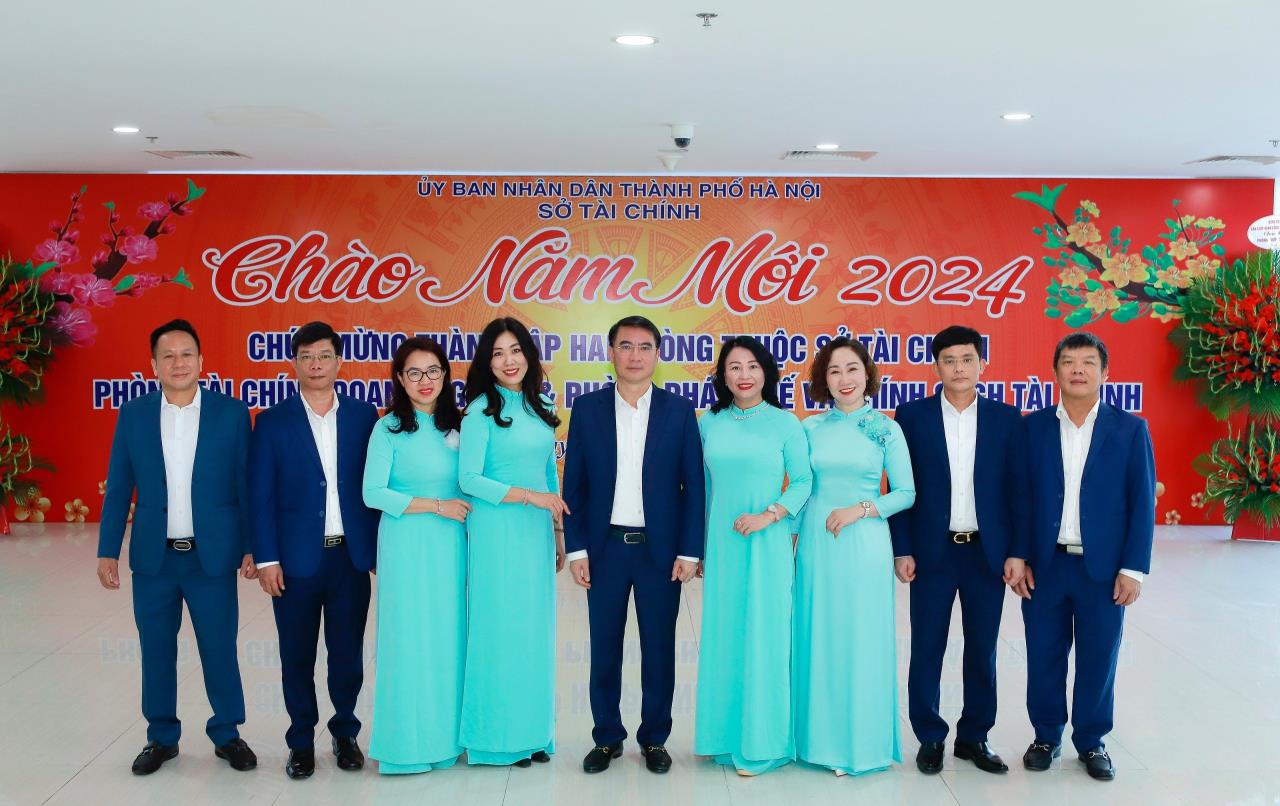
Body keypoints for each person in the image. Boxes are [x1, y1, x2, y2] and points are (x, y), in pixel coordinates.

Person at [97, 319, 258, 775]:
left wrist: (252, 545)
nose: (178, 363)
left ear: (201, 360)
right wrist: (107, 549)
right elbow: (119, 485)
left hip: (212, 558)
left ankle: (227, 734)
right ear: (153, 365)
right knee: (156, 650)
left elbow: (245, 484)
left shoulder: (231, 413)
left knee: (219, 648)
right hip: (155, 559)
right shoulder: (134, 414)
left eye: (187, 354)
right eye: (167, 356)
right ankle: (161, 737)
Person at [1008, 331, 1155, 781]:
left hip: (1103, 570)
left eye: (1088, 362)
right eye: (1069, 362)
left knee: (1098, 657)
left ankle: (1091, 741)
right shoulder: (1032, 427)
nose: (1078, 370)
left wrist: (1133, 569)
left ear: (1105, 372)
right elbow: (1021, 497)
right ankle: (1045, 736)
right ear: (1055, 371)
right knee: (1043, 654)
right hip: (1046, 565)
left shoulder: (1129, 429)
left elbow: (1142, 501)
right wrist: (1018, 554)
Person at [562, 316, 705, 775]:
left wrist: (689, 551)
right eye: (625, 346)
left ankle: (654, 738)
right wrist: (577, 550)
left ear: (657, 355)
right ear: (611, 352)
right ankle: (607, 737)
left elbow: (693, 487)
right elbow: (575, 485)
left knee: (659, 649)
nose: (635, 355)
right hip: (605, 549)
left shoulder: (679, 411)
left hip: (659, 553)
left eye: (645, 347)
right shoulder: (587, 409)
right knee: (604, 647)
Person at [889, 325, 1021, 775]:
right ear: (936, 366)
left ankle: (974, 736)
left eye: (967, 359)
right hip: (933, 553)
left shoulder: (1007, 418)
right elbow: (900, 487)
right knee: (927, 646)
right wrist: (902, 549)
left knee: (982, 649)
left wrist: (1016, 552)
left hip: (986, 553)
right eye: (949, 360)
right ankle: (930, 736)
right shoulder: (912, 417)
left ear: (983, 364)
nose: (958, 368)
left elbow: (1018, 492)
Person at [250, 321, 380, 779]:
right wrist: (266, 558)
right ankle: (301, 741)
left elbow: (375, 486)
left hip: (350, 558)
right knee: (297, 656)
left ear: (339, 361)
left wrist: (380, 550)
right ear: (295, 364)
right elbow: (260, 495)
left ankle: (345, 732)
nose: (316, 364)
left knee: (347, 654)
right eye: (306, 357)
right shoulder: (271, 422)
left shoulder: (364, 417)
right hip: (294, 563)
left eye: (324, 356)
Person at [793, 335, 916, 777]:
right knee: (817, 635)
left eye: (852, 369)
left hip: (864, 543)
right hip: (815, 544)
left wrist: (861, 509)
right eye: (833, 371)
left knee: (860, 639)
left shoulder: (886, 428)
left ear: (867, 374)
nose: (844, 379)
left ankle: (858, 745)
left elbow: (906, 492)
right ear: (823, 380)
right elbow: (800, 487)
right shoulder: (809, 428)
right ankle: (814, 741)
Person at [694, 336, 812, 777]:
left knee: (765, 636)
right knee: (725, 636)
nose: (744, 375)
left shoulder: (785, 423)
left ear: (766, 373)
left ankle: (764, 744)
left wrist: (771, 515)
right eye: (734, 367)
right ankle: (724, 738)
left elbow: (803, 481)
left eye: (752, 366)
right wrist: (699, 547)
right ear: (723, 376)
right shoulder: (709, 422)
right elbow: (703, 488)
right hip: (722, 545)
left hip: (767, 542)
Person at [457, 317, 567, 767]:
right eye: (498, 353)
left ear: (528, 355)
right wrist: (528, 497)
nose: (508, 361)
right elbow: (468, 479)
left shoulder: (541, 405)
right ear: (487, 361)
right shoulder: (480, 411)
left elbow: (548, 472)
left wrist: (557, 531)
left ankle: (532, 733)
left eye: (515, 350)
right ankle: (496, 740)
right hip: (496, 533)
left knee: (532, 633)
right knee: (499, 632)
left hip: (535, 534)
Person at [362, 337, 470, 774]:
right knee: (408, 641)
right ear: (400, 379)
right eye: (414, 372)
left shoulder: (461, 426)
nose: (425, 381)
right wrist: (435, 506)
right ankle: (405, 745)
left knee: (447, 640)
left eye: (433, 371)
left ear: (446, 376)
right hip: (407, 545)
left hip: (452, 548)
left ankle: (446, 741)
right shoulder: (387, 429)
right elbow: (373, 492)